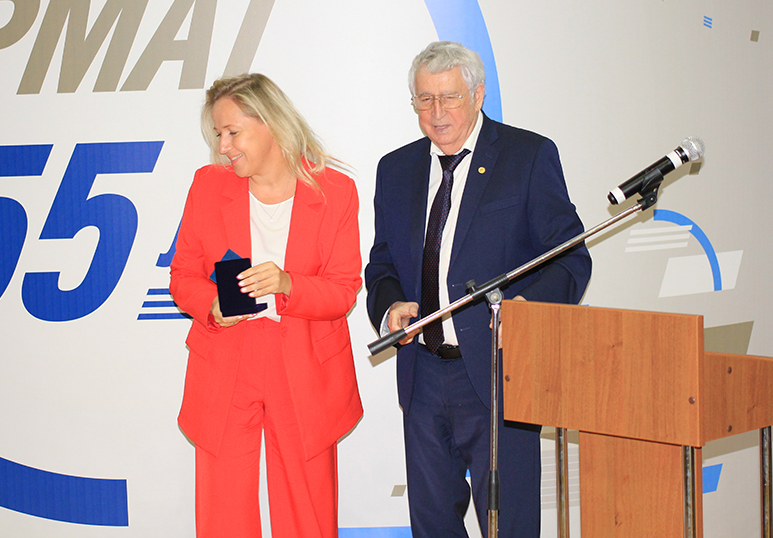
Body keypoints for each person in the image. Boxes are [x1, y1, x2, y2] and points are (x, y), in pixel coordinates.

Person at [366, 41, 591, 538]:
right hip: (422, 374)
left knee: (509, 523)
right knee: (432, 524)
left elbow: (571, 257)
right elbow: (381, 264)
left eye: (449, 98)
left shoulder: (526, 156)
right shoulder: (395, 169)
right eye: (425, 100)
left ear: (478, 94)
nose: (437, 113)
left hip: (498, 372)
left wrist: (527, 309)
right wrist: (390, 306)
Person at [170, 73, 363, 538]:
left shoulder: (335, 191)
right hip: (226, 358)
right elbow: (183, 277)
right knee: (222, 509)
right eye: (218, 134)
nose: (223, 147)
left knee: (307, 508)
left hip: (304, 361)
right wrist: (213, 306)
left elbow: (343, 290)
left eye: (232, 132)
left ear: (271, 123)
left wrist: (288, 283)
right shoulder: (207, 185)